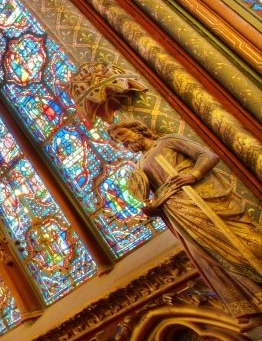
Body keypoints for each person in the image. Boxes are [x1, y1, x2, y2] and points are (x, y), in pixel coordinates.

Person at [109, 121, 262, 322]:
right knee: (208, 256)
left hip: (202, 200)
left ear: (137, 129)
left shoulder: (167, 141)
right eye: (118, 140)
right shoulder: (139, 166)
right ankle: (253, 300)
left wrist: (194, 174)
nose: (123, 140)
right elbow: (151, 194)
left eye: (122, 133)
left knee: (241, 240)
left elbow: (208, 156)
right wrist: (151, 208)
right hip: (178, 213)